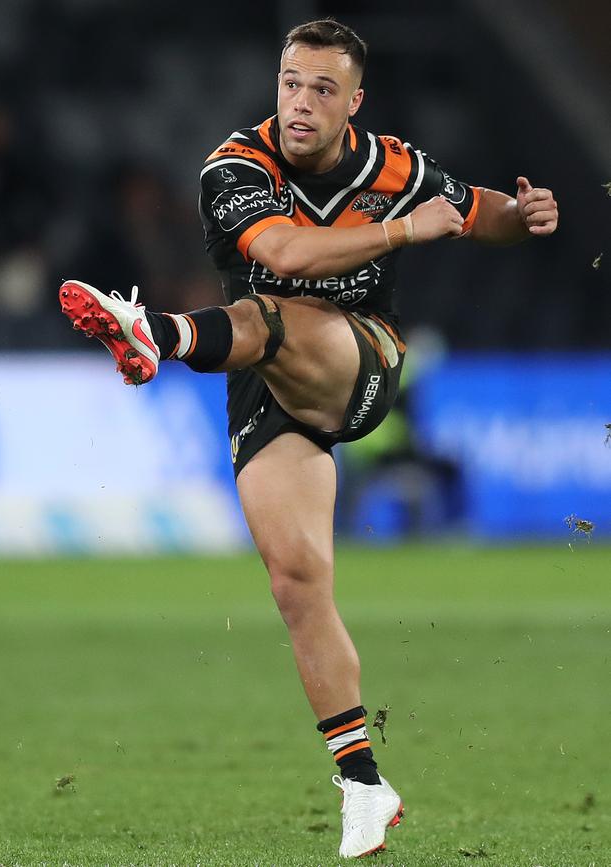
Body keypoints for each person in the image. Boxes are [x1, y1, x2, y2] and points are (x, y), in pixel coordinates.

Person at [59, 18, 558, 859]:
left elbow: (477, 214)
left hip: (358, 358)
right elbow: (286, 252)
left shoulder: (391, 164)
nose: (300, 102)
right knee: (298, 581)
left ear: (353, 102)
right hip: (265, 378)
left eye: (322, 89)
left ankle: (163, 335)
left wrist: (526, 212)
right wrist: (405, 230)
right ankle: (365, 786)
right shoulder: (234, 168)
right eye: (291, 82)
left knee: (268, 317)